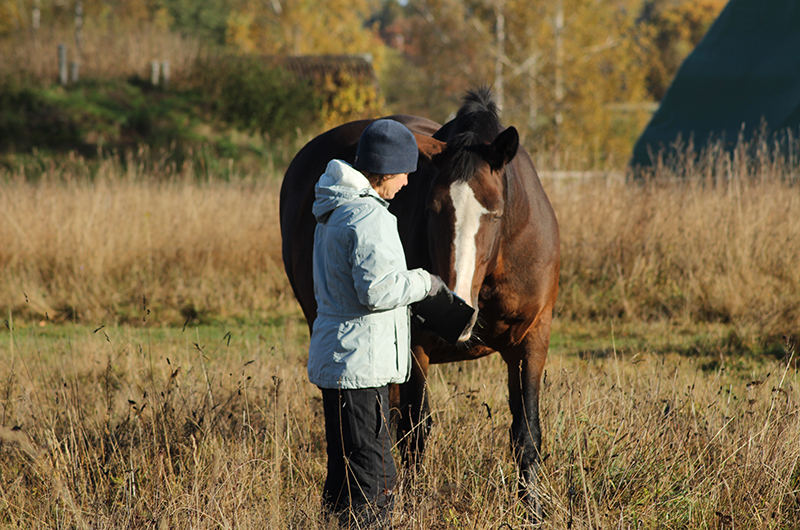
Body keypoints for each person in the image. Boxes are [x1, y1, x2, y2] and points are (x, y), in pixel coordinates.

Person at [308, 119, 448, 527]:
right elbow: (378, 291)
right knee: (376, 481)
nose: (406, 183)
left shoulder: (333, 210)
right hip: (361, 367)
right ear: (386, 169)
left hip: (338, 361)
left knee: (344, 478)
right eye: (404, 172)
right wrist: (426, 282)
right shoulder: (370, 217)